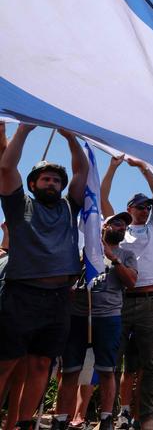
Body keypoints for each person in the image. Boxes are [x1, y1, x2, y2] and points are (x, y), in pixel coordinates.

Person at [0, 125, 89, 429]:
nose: (51, 183)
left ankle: (25, 424)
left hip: (59, 300)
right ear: (33, 183)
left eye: (56, 180)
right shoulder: (18, 205)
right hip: (21, 296)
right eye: (45, 178)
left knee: (41, 364)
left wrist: (70, 136)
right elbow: (6, 167)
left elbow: (82, 171)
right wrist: (24, 129)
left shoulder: (69, 208)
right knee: (5, 364)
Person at [55, 212, 138, 430]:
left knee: (106, 370)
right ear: (103, 227)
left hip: (109, 317)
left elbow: (131, 282)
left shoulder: (127, 254)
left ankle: (106, 418)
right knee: (71, 369)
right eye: (116, 223)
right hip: (78, 315)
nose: (120, 228)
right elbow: (68, 278)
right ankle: (61, 418)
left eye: (124, 227)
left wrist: (114, 258)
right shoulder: (84, 250)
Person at [101, 154, 153, 430]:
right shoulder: (120, 230)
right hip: (121, 299)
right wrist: (112, 167)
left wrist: (144, 168)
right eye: (139, 206)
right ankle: (117, 415)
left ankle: (147, 418)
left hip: (150, 301)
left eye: (147, 207)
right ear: (129, 208)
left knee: (150, 364)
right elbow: (103, 198)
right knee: (114, 362)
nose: (144, 210)